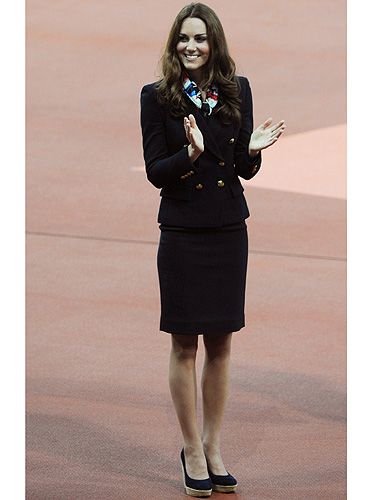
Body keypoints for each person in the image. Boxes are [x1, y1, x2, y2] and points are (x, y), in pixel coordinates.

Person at [140, 2, 285, 497]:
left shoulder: (235, 89)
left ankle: (214, 445)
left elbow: (242, 170)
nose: (191, 46)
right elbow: (155, 170)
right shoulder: (156, 97)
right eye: (184, 38)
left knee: (221, 345)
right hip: (181, 232)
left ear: (214, 42)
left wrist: (251, 150)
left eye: (200, 38)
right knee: (184, 344)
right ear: (174, 43)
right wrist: (190, 154)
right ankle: (191, 449)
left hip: (227, 228)